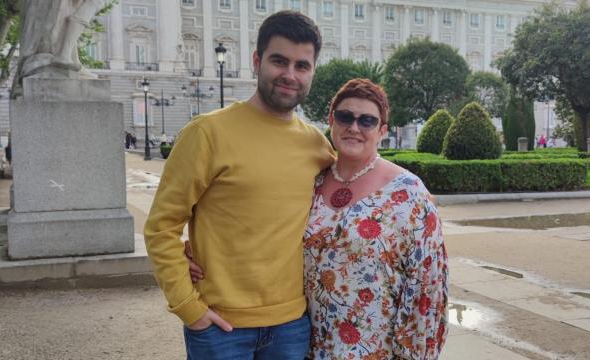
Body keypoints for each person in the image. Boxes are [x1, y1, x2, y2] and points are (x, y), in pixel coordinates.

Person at [189, 79, 448, 359]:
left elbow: (427, 290)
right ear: (331, 121)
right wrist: (195, 248)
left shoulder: (408, 193)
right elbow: (261, 221)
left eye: (367, 121)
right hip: (304, 345)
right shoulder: (312, 177)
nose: (354, 127)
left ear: (382, 130)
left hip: (374, 349)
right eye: (345, 116)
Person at [144, 11, 334, 359]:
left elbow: (353, 197)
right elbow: (161, 227)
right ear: (257, 61)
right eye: (279, 61)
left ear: (312, 72)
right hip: (220, 326)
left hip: (292, 324)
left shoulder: (317, 146)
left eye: (302, 66)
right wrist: (189, 307)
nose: (290, 75)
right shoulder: (207, 133)